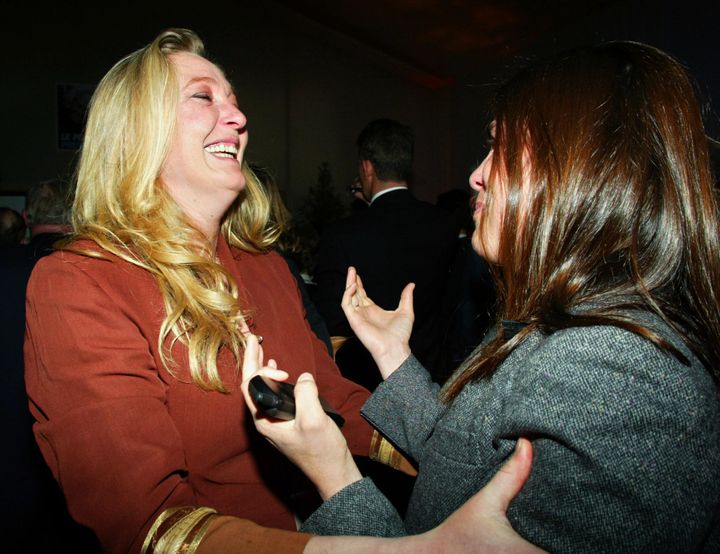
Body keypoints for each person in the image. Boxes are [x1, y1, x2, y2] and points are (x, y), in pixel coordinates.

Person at [23, 28, 541, 554]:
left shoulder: (264, 264)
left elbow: (328, 395)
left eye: (234, 100)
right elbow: (146, 524)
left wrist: (456, 461)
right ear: (135, 132)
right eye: (203, 97)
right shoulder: (82, 282)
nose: (239, 118)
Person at [242, 41, 720, 552]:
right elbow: (465, 455)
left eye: (503, 148)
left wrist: (332, 469)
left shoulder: (614, 370)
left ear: (584, 169)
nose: (478, 174)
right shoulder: (578, 327)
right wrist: (391, 352)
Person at [313, 118, 458, 388]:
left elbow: (330, 322)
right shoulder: (445, 224)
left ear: (366, 168)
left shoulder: (342, 234)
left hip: (369, 385)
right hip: (434, 379)